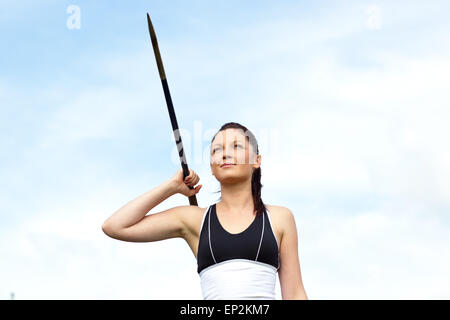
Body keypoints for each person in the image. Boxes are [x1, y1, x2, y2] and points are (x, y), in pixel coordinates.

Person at [102, 122, 308, 300]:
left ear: (256, 161)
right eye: (216, 150)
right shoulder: (194, 220)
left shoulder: (280, 218)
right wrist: (171, 187)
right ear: (211, 166)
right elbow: (115, 226)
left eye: (236, 146)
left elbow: (295, 294)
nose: (225, 153)